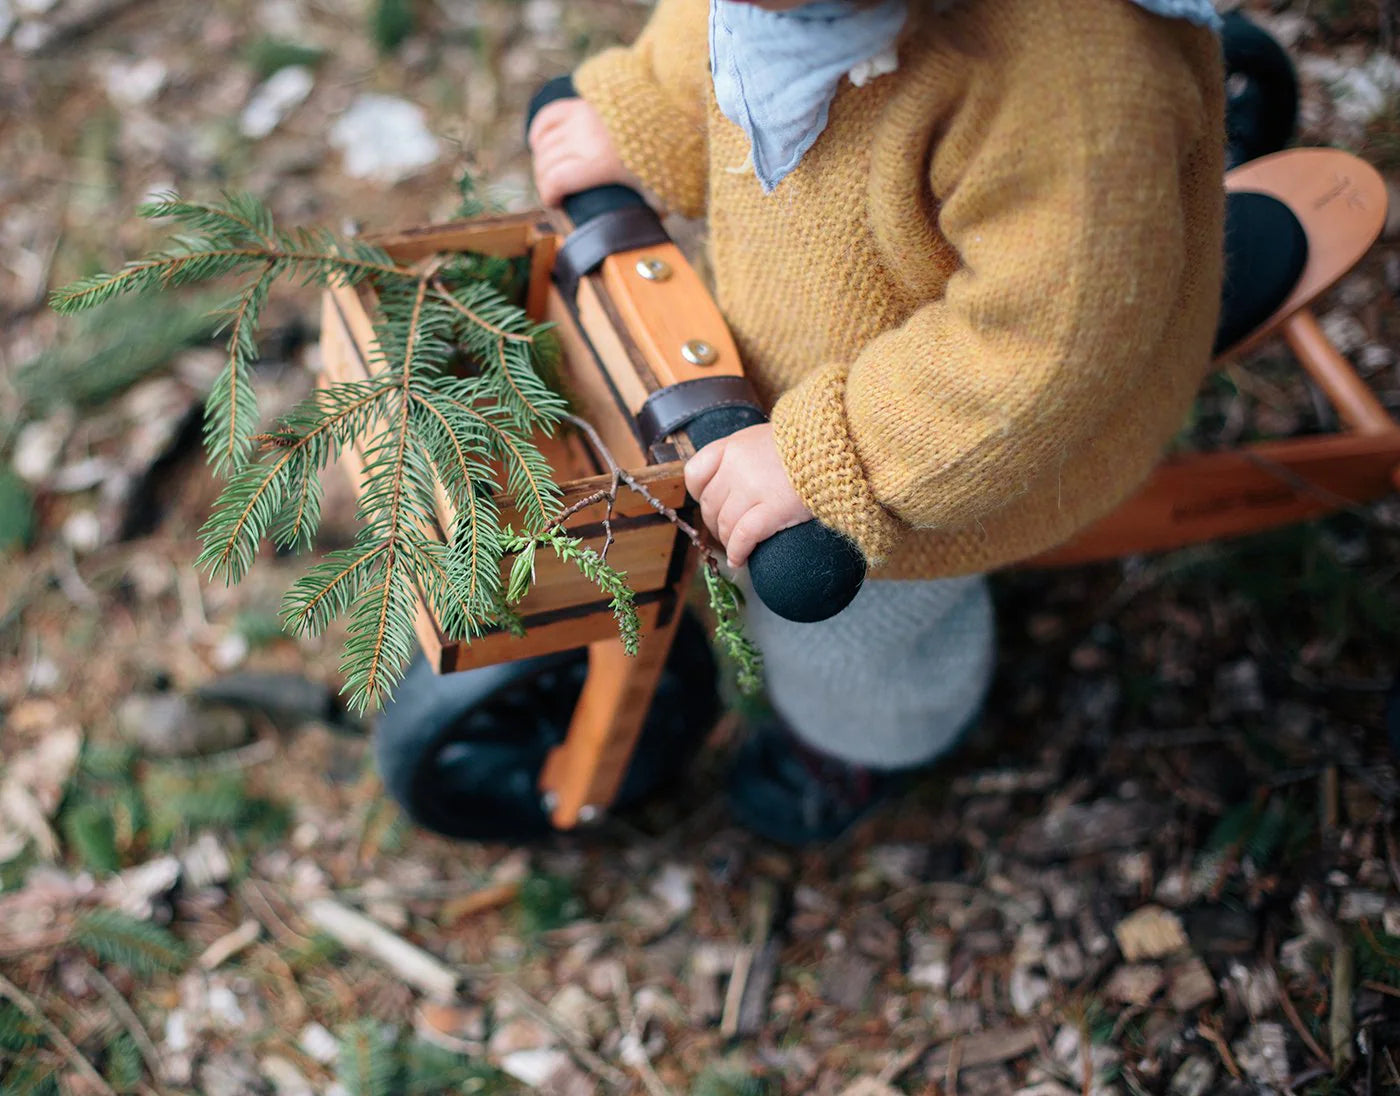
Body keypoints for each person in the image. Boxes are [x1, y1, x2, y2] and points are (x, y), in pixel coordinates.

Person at [528, 0, 1226, 845]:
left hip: (967, 435)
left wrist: (837, 459)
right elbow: (714, 27)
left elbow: (1045, 346)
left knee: (842, 635)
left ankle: (871, 741)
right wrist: (651, 113)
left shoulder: (1067, 84)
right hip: (807, 335)